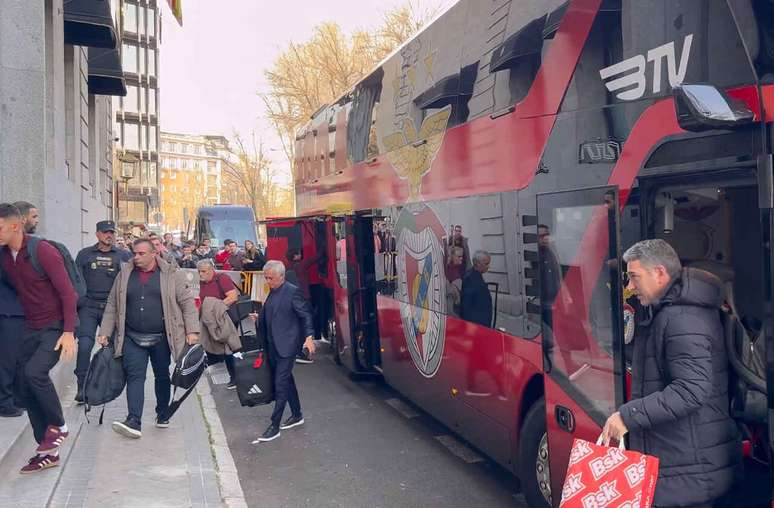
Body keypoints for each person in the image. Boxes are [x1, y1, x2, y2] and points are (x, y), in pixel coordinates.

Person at [600, 239, 739, 508]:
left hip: (689, 468)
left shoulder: (681, 318)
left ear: (660, 273)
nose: (629, 287)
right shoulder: (677, 311)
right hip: (686, 460)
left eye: (633, 277)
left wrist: (628, 416)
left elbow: (691, 390)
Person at [0, 203, 77, 473]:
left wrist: (69, 332)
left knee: (34, 373)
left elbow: (68, 293)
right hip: (31, 327)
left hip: (55, 327)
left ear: (15, 226)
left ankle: (60, 426)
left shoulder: (42, 251)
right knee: (22, 385)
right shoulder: (3, 255)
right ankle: (48, 450)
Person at [97, 238, 200, 439]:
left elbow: (188, 304)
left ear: (154, 254)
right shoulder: (124, 274)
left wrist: (192, 331)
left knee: (162, 375)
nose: (136, 257)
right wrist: (105, 331)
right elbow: (112, 304)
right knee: (135, 376)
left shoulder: (172, 275)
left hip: (162, 337)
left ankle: (162, 413)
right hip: (132, 336)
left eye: (141, 253)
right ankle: (133, 420)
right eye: (134, 253)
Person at [251, 260, 315, 443]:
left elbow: (305, 316)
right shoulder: (272, 292)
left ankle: (274, 426)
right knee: (287, 382)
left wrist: (309, 337)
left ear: (281, 276)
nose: (268, 281)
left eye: (271, 278)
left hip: (286, 346)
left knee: (280, 384)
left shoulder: (292, 291)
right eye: (266, 278)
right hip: (272, 345)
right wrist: (259, 317)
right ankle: (297, 414)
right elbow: (273, 313)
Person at [73, 220, 132, 404]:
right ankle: (82, 387)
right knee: (84, 347)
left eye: (112, 232)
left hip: (111, 308)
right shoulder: (85, 255)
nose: (110, 235)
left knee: (112, 350)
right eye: (106, 232)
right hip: (89, 307)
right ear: (97, 234)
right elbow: (75, 280)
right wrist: (78, 304)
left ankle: (106, 386)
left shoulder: (123, 256)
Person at [197, 259, 239, 388]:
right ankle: (233, 374)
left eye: (203, 271)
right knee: (218, 346)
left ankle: (236, 377)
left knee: (228, 348)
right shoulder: (203, 282)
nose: (201, 274)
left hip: (225, 318)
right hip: (212, 320)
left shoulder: (221, 278)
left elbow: (232, 297)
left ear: (211, 270)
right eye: (199, 271)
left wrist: (216, 308)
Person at [286, 248, 324, 363]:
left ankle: (297, 350)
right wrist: (323, 251)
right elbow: (313, 260)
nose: (301, 255)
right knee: (307, 321)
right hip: (304, 297)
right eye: (298, 253)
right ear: (295, 256)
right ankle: (302, 351)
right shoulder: (299, 265)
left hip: (295, 297)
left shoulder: (289, 267)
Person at [0, 260, 25, 417]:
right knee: (8, 360)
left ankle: (16, 399)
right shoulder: (5, 254)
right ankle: (5, 402)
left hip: (17, 311)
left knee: (17, 359)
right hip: (8, 312)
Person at [460, 250, 492, 327]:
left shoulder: (476, 275)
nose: (488, 266)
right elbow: (466, 305)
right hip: (476, 325)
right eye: (486, 264)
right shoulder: (470, 278)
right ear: (477, 263)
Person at [445, 246, 464, 317]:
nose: (461, 258)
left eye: (462, 256)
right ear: (452, 256)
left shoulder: (459, 269)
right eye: (459, 256)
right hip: (452, 312)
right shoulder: (450, 272)